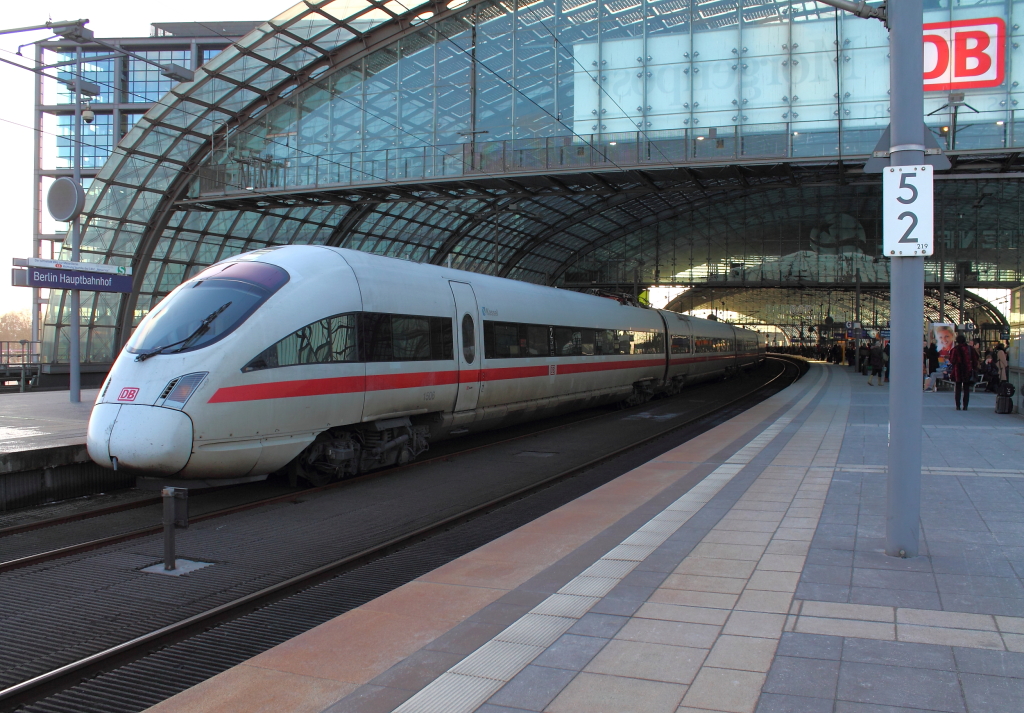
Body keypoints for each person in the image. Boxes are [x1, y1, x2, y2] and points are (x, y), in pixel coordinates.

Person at [948, 335, 979, 411]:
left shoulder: (955, 349)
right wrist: (973, 368)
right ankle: (965, 406)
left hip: (958, 371)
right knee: (966, 389)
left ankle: (958, 405)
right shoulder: (970, 349)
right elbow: (975, 359)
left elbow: (952, 360)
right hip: (967, 371)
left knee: (958, 389)